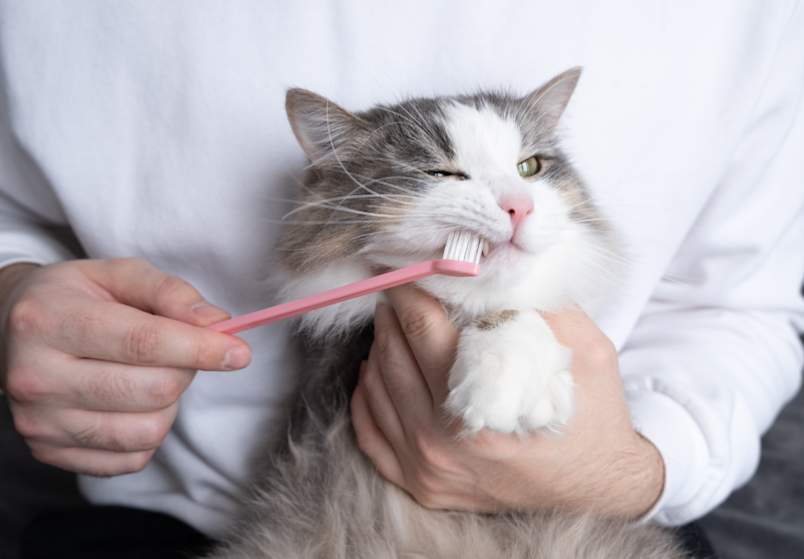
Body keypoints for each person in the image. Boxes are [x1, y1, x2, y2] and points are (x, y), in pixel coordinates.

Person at [1, 1, 802, 556]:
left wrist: (633, 468)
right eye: (447, 174)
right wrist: (11, 293)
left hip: (607, 503)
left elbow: (743, 306)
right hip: (179, 516)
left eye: (531, 165)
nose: (513, 202)